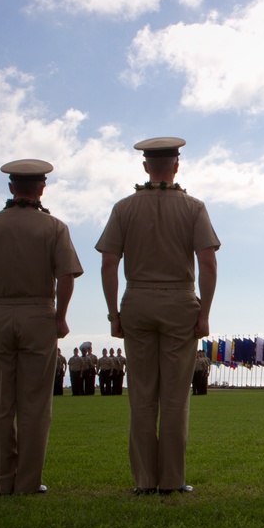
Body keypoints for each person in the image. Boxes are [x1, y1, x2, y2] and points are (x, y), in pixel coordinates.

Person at [97, 136, 219, 496]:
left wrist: (113, 312)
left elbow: (108, 262)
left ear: (146, 167)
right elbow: (208, 261)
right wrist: (205, 311)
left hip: (136, 299)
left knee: (142, 395)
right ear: (176, 166)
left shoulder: (124, 208)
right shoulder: (194, 207)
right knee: (175, 397)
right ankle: (172, 480)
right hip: (180, 302)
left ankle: (144, 481)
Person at [0, 158, 83, 494]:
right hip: (40, 313)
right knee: (35, 406)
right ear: (41, 188)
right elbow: (67, 275)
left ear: (11, 188)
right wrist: (60, 316)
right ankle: (27, 482)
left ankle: (0, 481)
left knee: (0, 405)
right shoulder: (54, 227)